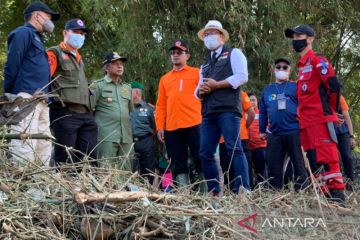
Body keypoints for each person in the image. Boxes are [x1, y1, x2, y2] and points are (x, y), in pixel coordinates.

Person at [285, 25, 346, 203]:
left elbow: (334, 86)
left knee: (327, 157)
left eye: (299, 36)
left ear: (310, 39)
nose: (296, 39)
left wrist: (333, 111)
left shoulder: (318, 61)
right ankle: (325, 198)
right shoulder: (301, 68)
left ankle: (338, 197)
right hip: (305, 123)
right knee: (313, 160)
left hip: (320, 120)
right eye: (293, 37)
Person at [196, 20, 249, 195]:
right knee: (205, 152)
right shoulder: (204, 64)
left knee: (234, 148)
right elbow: (197, 91)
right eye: (206, 34)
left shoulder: (234, 53)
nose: (209, 36)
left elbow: (242, 77)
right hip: (209, 112)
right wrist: (202, 91)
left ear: (221, 36)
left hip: (228, 109)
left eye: (212, 33)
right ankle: (214, 190)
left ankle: (243, 188)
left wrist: (217, 85)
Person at [3, 2, 60, 166]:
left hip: (42, 99)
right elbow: (12, 64)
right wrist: (12, 95)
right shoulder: (23, 33)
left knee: (43, 142)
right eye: (48, 16)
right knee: (24, 140)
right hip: (25, 96)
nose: (50, 21)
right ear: (37, 15)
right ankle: (22, 182)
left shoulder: (38, 38)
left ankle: (40, 184)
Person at [48, 19, 98, 168]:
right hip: (65, 112)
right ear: (65, 33)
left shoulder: (79, 58)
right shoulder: (54, 52)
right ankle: (66, 189)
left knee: (88, 158)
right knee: (66, 157)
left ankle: (87, 188)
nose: (80, 36)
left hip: (86, 114)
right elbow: (44, 78)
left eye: (82, 33)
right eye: (76, 32)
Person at [155, 40, 202, 187]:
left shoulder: (197, 73)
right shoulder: (164, 78)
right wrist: (159, 127)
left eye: (179, 53)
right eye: (173, 53)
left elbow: (206, 97)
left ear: (187, 56)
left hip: (195, 123)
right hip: (172, 127)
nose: (175, 56)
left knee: (200, 157)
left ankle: (206, 194)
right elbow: (161, 105)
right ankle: (184, 195)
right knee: (177, 161)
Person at [259, 58, 309, 191]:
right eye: (278, 67)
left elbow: (306, 107)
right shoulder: (267, 90)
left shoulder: (295, 86)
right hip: (274, 133)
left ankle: (301, 192)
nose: (281, 69)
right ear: (274, 70)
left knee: (298, 163)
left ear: (289, 70)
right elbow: (263, 111)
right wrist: (262, 130)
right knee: (273, 165)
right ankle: (275, 193)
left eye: (285, 67)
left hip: (294, 130)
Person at [90, 52, 133, 170]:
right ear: (106, 67)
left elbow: (129, 111)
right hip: (106, 135)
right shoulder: (97, 86)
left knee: (126, 171)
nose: (120, 66)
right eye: (115, 64)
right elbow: (88, 110)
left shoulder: (127, 87)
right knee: (105, 170)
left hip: (126, 136)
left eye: (121, 64)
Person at [219, 91, 255, 192]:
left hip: (238, 138)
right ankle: (238, 192)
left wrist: (244, 127)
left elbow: (251, 114)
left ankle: (243, 191)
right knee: (230, 168)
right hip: (229, 138)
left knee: (234, 168)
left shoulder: (242, 94)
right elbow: (251, 114)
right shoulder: (239, 94)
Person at [130, 81, 157, 184]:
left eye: (130, 91)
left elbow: (154, 126)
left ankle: (148, 190)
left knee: (148, 169)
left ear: (137, 92)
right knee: (130, 168)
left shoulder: (148, 109)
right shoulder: (125, 107)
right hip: (130, 142)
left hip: (146, 141)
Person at [247, 93, 267, 185]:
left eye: (254, 100)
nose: (252, 102)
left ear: (257, 102)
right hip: (247, 148)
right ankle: (250, 188)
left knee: (261, 171)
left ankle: (262, 188)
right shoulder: (243, 114)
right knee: (248, 170)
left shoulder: (262, 114)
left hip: (260, 147)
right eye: (250, 100)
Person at [335, 95, 356, 184]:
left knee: (347, 156)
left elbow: (347, 117)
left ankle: (350, 183)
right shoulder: (321, 96)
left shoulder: (339, 98)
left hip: (342, 132)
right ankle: (338, 184)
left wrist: (351, 136)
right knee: (334, 159)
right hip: (328, 133)